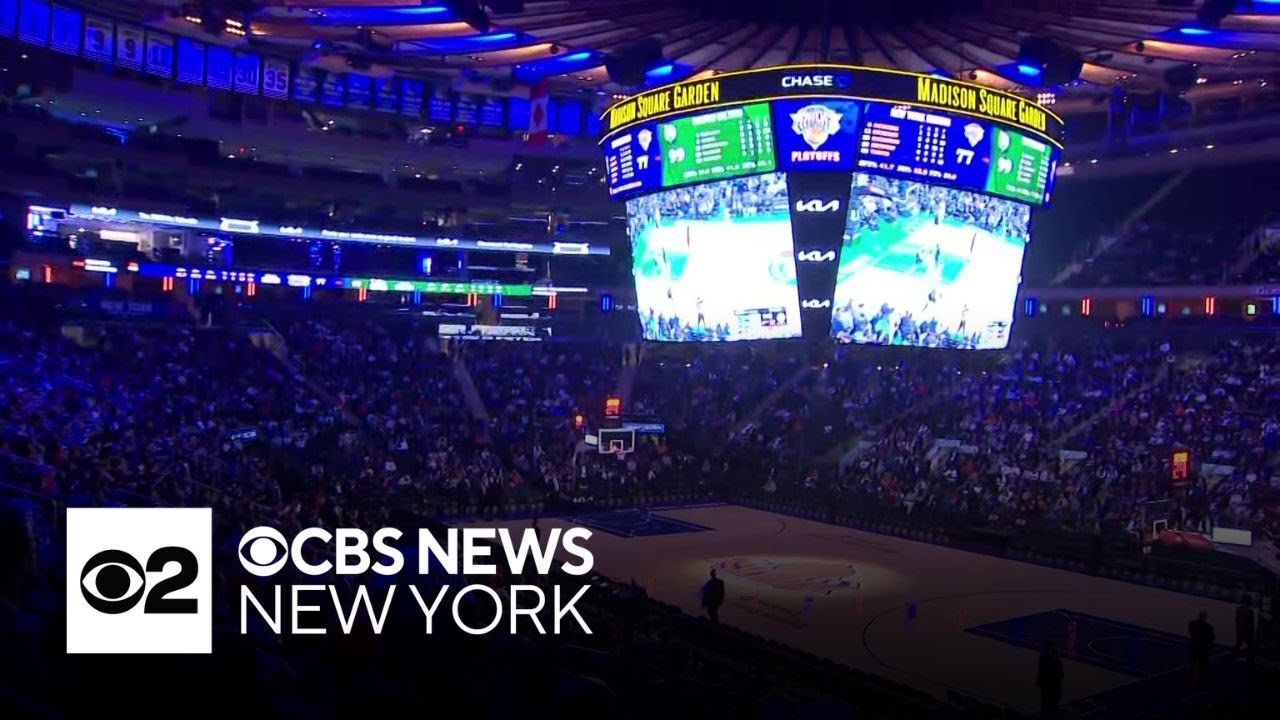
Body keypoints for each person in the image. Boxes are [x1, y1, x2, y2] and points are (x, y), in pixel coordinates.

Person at [1037, 641, 1064, 718]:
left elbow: (1059, 668)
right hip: (1048, 681)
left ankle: (1051, 710)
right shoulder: (1044, 657)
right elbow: (1044, 669)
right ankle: (1047, 712)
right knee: (1047, 697)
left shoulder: (1052, 656)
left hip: (1052, 680)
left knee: (1054, 696)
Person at [1188, 611, 1215, 687]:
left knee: (1193, 666)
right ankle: (1199, 682)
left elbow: (1192, 633)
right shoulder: (1208, 627)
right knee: (1201, 667)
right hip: (1203, 649)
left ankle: (1191, 681)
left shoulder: (1192, 624)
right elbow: (1212, 637)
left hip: (1196, 648)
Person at [1234, 596, 1256, 664]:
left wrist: (1238, 629)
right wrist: (1252, 633)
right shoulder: (1250, 611)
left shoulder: (1238, 609)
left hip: (1240, 630)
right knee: (1250, 646)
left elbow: (1237, 621)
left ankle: (1234, 656)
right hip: (1247, 632)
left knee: (1238, 644)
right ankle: (1250, 659)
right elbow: (1251, 623)